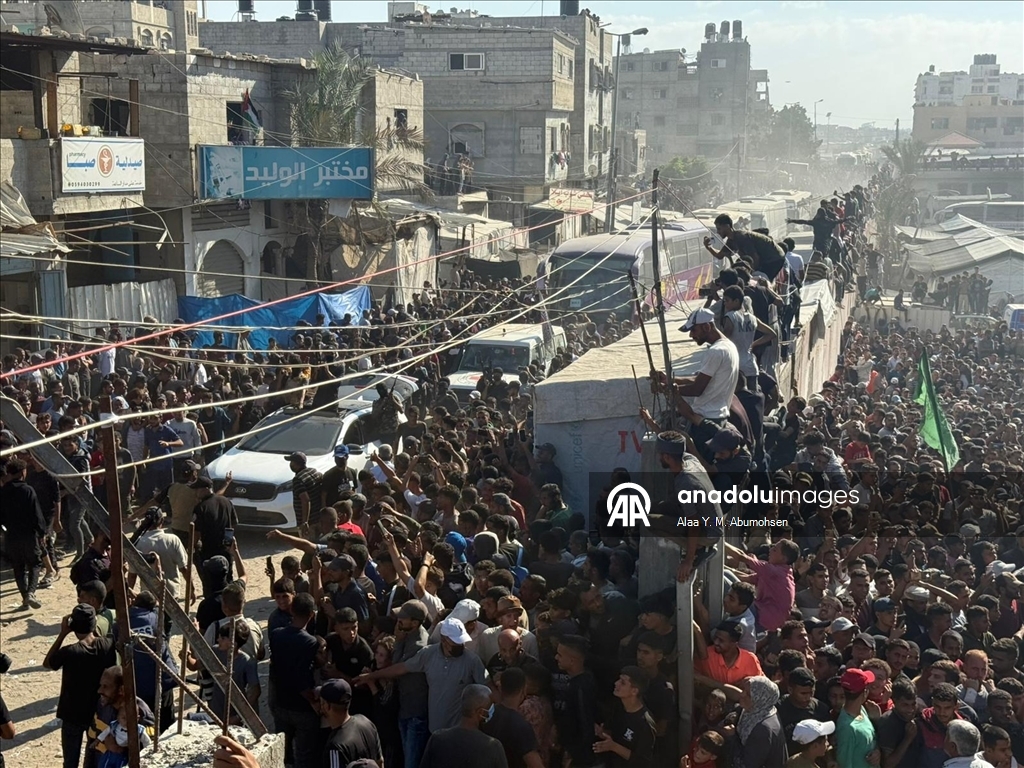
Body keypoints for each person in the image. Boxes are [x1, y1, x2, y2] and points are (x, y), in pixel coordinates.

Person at [354, 617, 486, 732]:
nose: (460, 645)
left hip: (459, 732)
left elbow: (486, 689)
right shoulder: (428, 654)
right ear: (444, 640)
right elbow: (402, 668)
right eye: (455, 643)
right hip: (434, 731)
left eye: (461, 642)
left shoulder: (472, 661)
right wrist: (371, 676)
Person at [44, 604, 117, 768]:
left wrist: (62, 633)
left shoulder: (70, 652)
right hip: (98, 713)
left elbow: (48, 663)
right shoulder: (108, 645)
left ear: (73, 626)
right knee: (93, 759)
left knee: (70, 761)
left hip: (72, 714)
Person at [420, 684, 509, 768]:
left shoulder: (437, 739)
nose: (491, 710)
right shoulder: (493, 747)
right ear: (480, 712)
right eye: (489, 706)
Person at [0, 458, 46, 609]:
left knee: (18, 567)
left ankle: (25, 597)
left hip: (11, 536)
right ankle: (31, 593)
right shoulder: (28, 490)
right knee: (35, 563)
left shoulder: (3, 492)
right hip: (29, 535)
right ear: (22, 472)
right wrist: (42, 533)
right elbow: (36, 514)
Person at [594, 666, 657, 767]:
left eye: (622, 683)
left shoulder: (645, 722)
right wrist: (603, 734)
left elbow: (643, 761)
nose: (616, 683)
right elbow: (615, 735)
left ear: (634, 691)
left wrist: (614, 746)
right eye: (618, 679)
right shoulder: (618, 708)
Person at [481, 667, 544, 768]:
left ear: (500, 688)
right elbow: (535, 765)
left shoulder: (487, 715)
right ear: (523, 690)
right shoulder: (521, 726)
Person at [317, 678, 383, 768]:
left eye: (321, 701)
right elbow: (380, 762)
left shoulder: (335, 746)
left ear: (327, 706)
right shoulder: (366, 722)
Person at [729, 676, 788, 768]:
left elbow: (746, 765)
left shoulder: (763, 729)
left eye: (748, 694)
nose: (742, 694)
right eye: (743, 689)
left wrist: (731, 737)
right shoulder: (759, 710)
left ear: (760, 699)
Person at [835, 668, 880, 768]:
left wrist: (877, 751)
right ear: (865, 692)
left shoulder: (862, 710)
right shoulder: (847, 729)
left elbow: (872, 740)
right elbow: (844, 764)